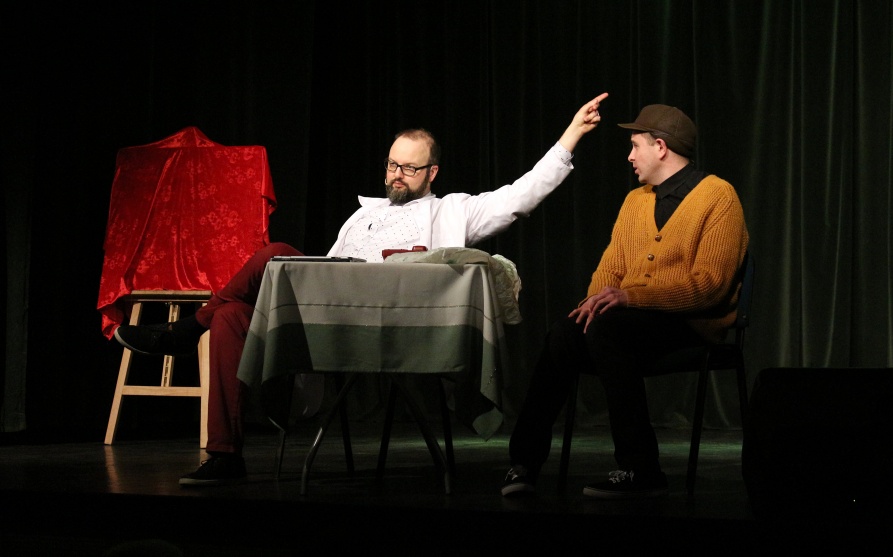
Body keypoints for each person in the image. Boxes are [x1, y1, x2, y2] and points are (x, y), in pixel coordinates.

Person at [114, 92, 609, 486]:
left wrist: (570, 135)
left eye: (409, 168)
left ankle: (186, 331)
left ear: (432, 172)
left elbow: (521, 195)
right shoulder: (363, 215)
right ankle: (225, 456)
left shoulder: (453, 211)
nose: (397, 175)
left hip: (396, 325)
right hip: (329, 319)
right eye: (392, 165)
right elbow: (330, 268)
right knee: (231, 315)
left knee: (274, 252)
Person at [501, 103, 749, 499]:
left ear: (661, 147)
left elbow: (710, 286)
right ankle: (524, 463)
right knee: (565, 332)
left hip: (689, 324)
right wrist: (592, 304)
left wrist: (630, 297)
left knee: (607, 328)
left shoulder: (719, 197)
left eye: (636, 146)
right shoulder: (636, 201)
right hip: (629, 322)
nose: (630, 156)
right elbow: (611, 270)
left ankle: (641, 469)